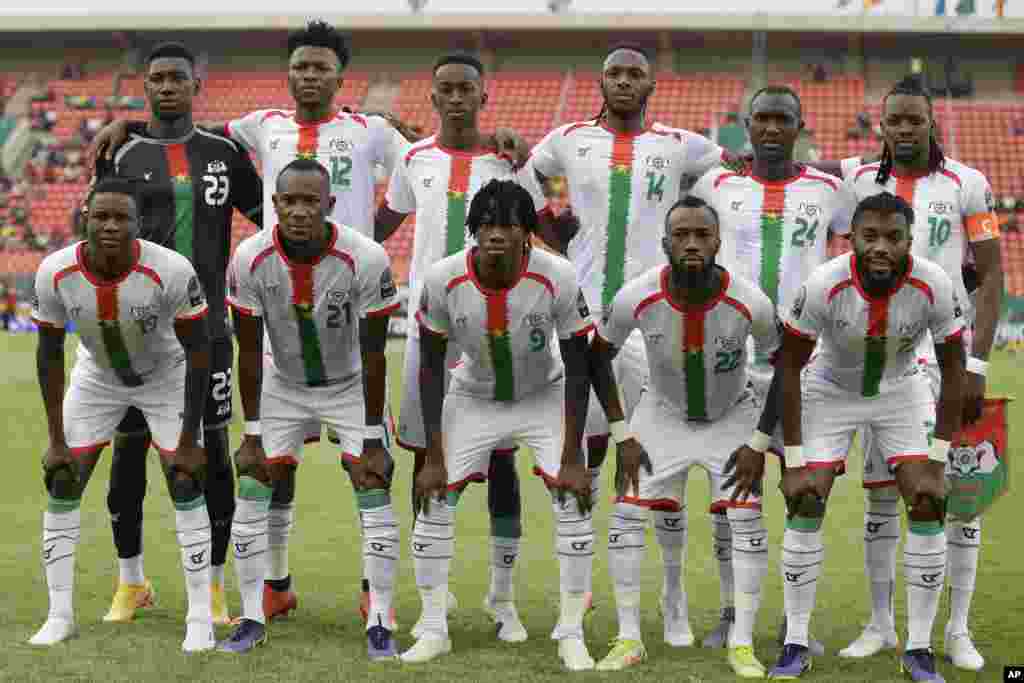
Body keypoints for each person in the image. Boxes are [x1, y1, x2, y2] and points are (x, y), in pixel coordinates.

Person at [523, 44, 727, 647]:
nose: (624, 81)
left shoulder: (681, 145)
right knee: (583, 457)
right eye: (614, 72)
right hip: (585, 313)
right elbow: (524, 175)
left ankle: (672, 596)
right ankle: (577, 591)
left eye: (636, 73)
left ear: (652, 85)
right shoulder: (566, 139)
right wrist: (553, 233)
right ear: (600, 81)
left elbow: (728, 173)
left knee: (657, 463)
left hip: (654, 315)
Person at [756, 192, 965, 681]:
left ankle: (918, 648)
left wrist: (938, 459)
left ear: (909, 241)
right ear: (851, 239)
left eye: (893, 237)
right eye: (869, 236)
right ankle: (796, 642)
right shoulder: (823, 284)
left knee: (928, 501)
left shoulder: (933, 283)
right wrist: (794, 460)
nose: (880, 247)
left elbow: (953, 373)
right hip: (830, 388)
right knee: (806, 499)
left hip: (901, 388)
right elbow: (788, 367)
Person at [91, 41, 263, 627]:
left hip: (208, 330)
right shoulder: (122, 150)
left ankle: (213, 587)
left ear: (196, 84)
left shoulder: (223, 152)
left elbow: (268, 218)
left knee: (212, 453)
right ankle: (131, 581)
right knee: (129, 453)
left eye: (177, 78)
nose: (167, 87)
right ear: (144, 86)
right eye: (157, 78)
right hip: (137, 332)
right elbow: (95, 230)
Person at [374, 52, 541, 641]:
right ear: (433, 98)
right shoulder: (412, 158)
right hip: (431, 328)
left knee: (500, 458)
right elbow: (379, 230)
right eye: (444, 89)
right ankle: (431, 599)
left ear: (483, 96)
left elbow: (541, 235)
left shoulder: (510, 160)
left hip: (498, 326)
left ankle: (503, 597)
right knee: (426, 457)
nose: (455, 98)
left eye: (465, 89)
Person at [839, 77, 1003, 672]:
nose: (905, 128)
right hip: (884, 365)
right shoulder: (856, 181)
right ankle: (881, 624)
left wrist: (978, 364)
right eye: (895, 120)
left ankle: (957, 630)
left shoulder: (969, 183)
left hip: (949, 361)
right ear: (881, 124)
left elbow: (991, 282)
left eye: (916, 119)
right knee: (882, 500)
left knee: (957, 499)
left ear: (932, 123)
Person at [402, 179, 595, 669]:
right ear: (473, 230)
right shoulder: (443, 278)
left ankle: (571, 631)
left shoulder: (559, 276)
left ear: (528, 232)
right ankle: (432, 627)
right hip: (474, 396)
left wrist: (573, 456)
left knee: (573, 501)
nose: (495, 234)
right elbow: (430, 367)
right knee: (434, 500)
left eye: (508, 224)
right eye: (486, 223)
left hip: (543, 394)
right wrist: (432, 454)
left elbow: (578, 367)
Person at [689, 85, 852, 652]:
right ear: (745, 125)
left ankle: (793, 622)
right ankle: (733, 612)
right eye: (761, 119)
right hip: (730, 362)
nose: (772, 128)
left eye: (783, 119)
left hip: (805, 365)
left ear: (801, 125)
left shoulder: (831, 190)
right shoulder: (715, 184)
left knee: (804, 491)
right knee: (730, 494)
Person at [588, 196, 778, 677]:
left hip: (731, 416)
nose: (691, 243)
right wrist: (622, 433)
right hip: (661, 413)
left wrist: (759, 442)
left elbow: (786, 365)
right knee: (626, 512)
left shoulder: (749, 301)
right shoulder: (637, 295)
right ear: (665, 243)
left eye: (702, 235)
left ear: (718, 242)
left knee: (747, 523)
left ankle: (741, 642)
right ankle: (628, 637)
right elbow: (595, 356)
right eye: (681, 235)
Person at [221, 159, 399, 656]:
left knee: (372, 483)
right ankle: (253, 614)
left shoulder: (365, 257)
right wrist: (252, 433)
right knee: (254, 484)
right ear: (274, 205)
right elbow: (250, 351)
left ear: (330, 205)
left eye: (310, 201)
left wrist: (369, 436)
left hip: (350, 384)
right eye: (289, 201)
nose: (299, 211)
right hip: (284, 383)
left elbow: (376, 352)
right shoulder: (250, 257)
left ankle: (380, 617)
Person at [29, 178, 215, 651]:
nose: (110, 225)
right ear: (84, 217)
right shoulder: (54, 271)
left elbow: (199, 353)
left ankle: (200, 617)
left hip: (166, 374)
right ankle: (60, 614)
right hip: (98, 377)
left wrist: (192, 439)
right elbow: (48, 354)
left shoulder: (170, 270)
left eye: (121, 218)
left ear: (138, 224)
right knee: (63, 478)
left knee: (186, 481)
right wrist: (55, 438)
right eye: (101, 216)